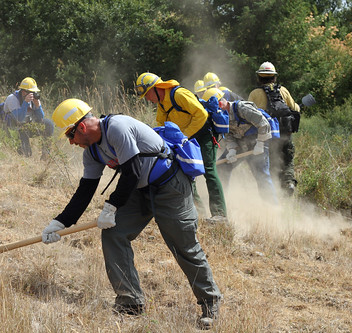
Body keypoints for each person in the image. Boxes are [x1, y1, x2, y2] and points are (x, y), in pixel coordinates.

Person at [41, 98, 222, 329]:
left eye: (70, 136)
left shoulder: (118, 127)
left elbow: (133, 171)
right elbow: (85, 190)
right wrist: (60, 222)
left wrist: (111, 206)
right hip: (138, 189)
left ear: (82, 128)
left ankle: (210, 302)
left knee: (182, 243)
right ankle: (130, 302)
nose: (71, 142)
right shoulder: (92, 153)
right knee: (114, 234)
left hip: (170, 185)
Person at [135, 72, 228, 223]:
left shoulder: (179, 94)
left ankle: (220, 214)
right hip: (188, 138)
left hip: (204, 134)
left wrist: (185, 135)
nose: (147, 98)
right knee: (187, 173)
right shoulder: (162, 104)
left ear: (156, 88)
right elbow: (160, 126)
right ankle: (199, 213)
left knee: (209, 171)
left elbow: (201, 115)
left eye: (147, 94)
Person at [203, 88, 278, 204]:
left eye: (215, 106)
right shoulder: (221, 116)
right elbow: (228, 134)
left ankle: (273, 207)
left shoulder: (242, 108)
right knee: (222, 167)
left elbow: (263, 124)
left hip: (258, 142)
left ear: (220, 102)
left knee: (261, 175)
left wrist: (260, 143)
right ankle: (221, 203)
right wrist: (232, 149)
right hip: (240, 145)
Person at [248, 62, 300, 195]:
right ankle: (288, 183)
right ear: (274, 77)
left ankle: (273, 191)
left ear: (259, 77)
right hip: (285, 133)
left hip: (266, 136)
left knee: (268, 163)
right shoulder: (283, 90)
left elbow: (248, 115)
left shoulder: (254, 94)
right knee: (287, 159)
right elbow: (295, 109)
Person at [3, 77, 54, 158]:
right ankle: (24, 153)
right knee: (26, 155)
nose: (34, 94)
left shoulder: (34, 99)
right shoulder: (12, 99)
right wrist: (25, 103)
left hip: (27, 126)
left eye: (35, 92)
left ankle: (46, 155)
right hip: (15, 129)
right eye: (32, 92)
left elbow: (40, 118)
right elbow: (19, 119)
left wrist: (37, 106)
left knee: (48, 124)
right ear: (23, 92)